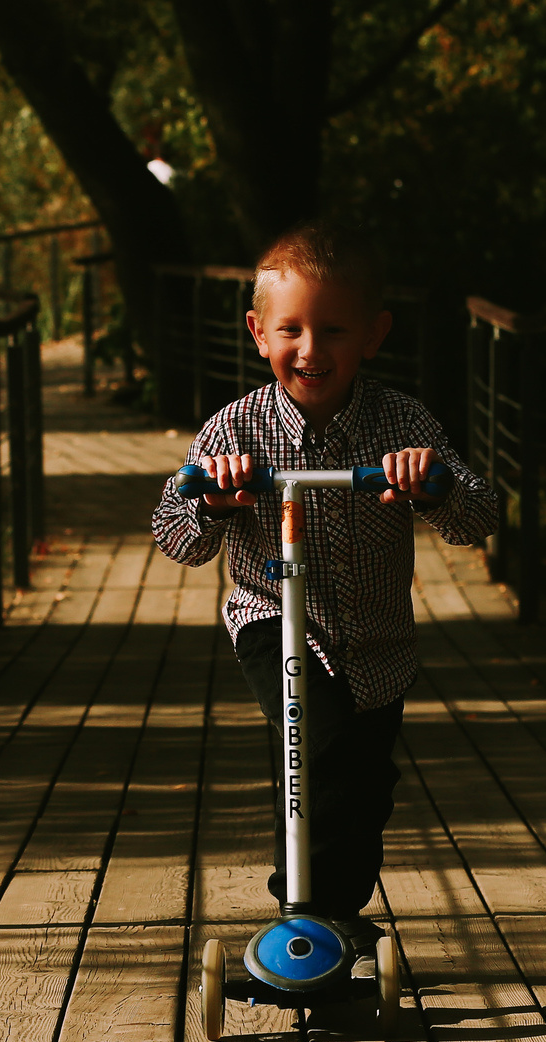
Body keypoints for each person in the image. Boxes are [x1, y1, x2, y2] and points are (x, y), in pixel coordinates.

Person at [150, 223, 497, 944]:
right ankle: (303, 916)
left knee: (363, 784)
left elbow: (479, 516)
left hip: (377, 639)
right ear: (258, 333)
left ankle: (338, 913)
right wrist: (213, 500)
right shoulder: (233, 430)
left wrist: (431, 485)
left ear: (373, 334)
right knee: (316, 745)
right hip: (275, 619)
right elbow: (175, 536)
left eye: (334, 330)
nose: (311, 350)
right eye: (292, 330)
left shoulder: (402, 422)